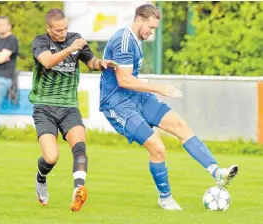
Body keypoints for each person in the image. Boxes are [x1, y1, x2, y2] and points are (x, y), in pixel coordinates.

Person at [99, 3, 238, 210]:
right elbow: (124, 80)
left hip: (137, 97)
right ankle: (165, 198)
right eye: (150, 28)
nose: (151, 32)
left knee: (180, 126)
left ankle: (217, 172)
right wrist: (158, 88)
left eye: (154, 28)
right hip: (117, 103)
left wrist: (151, 90)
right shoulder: (124, 40)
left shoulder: (136, 39)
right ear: (138, 20)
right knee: (157, 146)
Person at [30, 8, 117, 212]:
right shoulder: (40, 42)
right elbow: (48, 62)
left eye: (65, 28)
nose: (63, 33)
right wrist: (69, 49)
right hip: (44, 106)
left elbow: (90, 61)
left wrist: (101, 63)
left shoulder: (76, 39)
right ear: (48, 29)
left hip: (69, 106)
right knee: (51, 157)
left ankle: (78, 190)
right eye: (58, 30)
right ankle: (41, 178)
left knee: (79, 148)